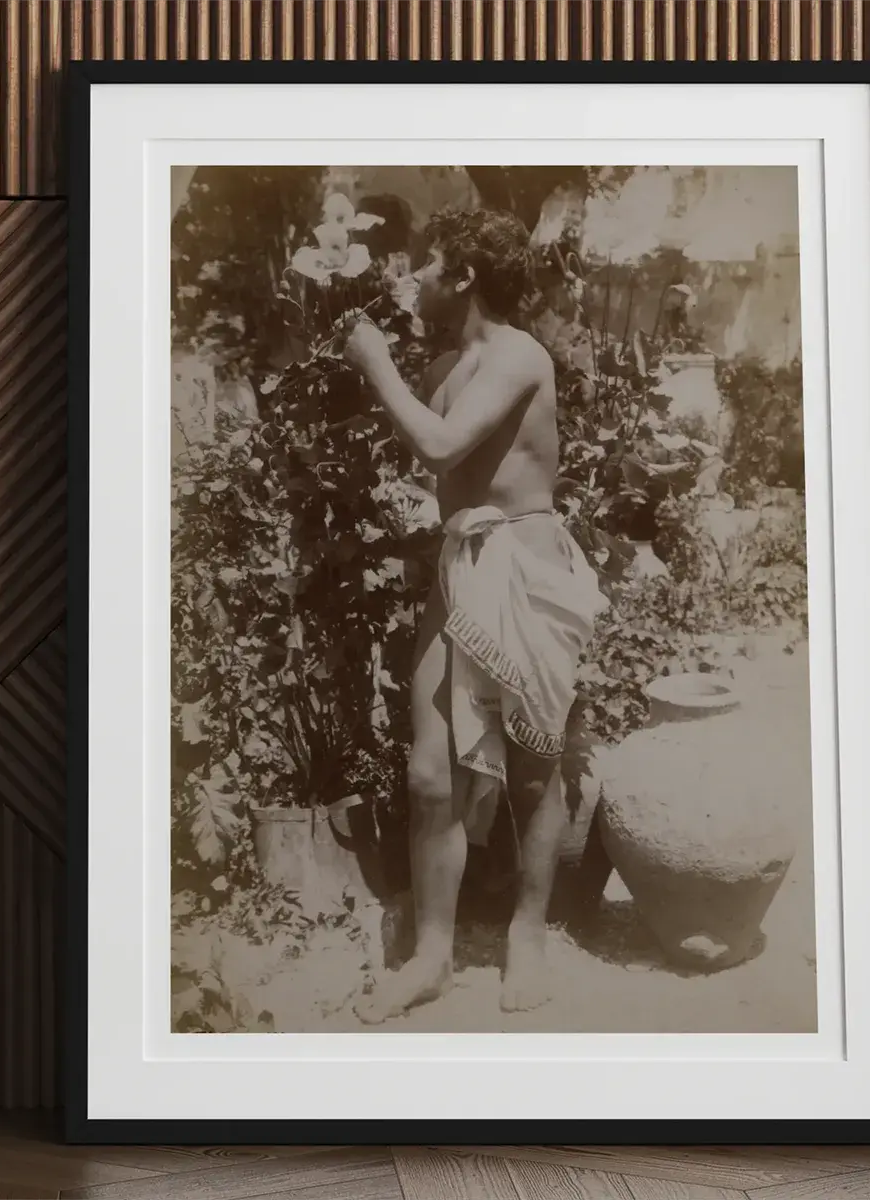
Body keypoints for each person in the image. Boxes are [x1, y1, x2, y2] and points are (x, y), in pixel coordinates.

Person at [339, 207, 606, 1022]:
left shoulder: (519, 354)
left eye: (428, 265)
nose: (413, 277)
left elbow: (445, 448)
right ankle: (431, 958)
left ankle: (527, 936)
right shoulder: (450, 364)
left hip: (525, 563)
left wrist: (375, 362)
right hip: (463, 565)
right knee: (428, 776)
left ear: (464, 277)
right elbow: (448, 468)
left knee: (531, 765)